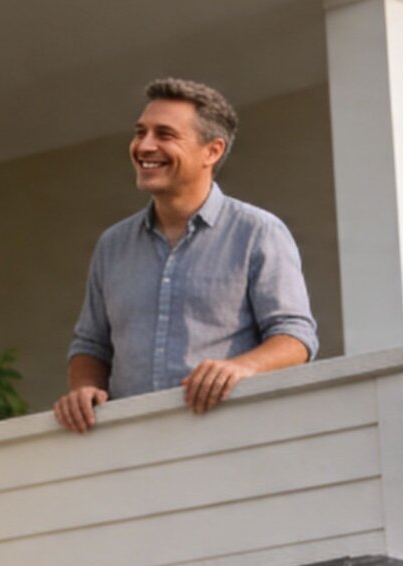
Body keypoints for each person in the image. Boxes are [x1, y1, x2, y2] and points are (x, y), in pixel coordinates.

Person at [55, 78, 318, 434]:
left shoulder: (258, 232)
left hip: (228, 438)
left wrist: (242, 368)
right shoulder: (112, 245)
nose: (144, 146)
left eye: (164, 135)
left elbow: (295, 337)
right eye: (140, 132)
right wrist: (84, 388)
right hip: (128, 449)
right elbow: (91, 345)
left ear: (212, 151)